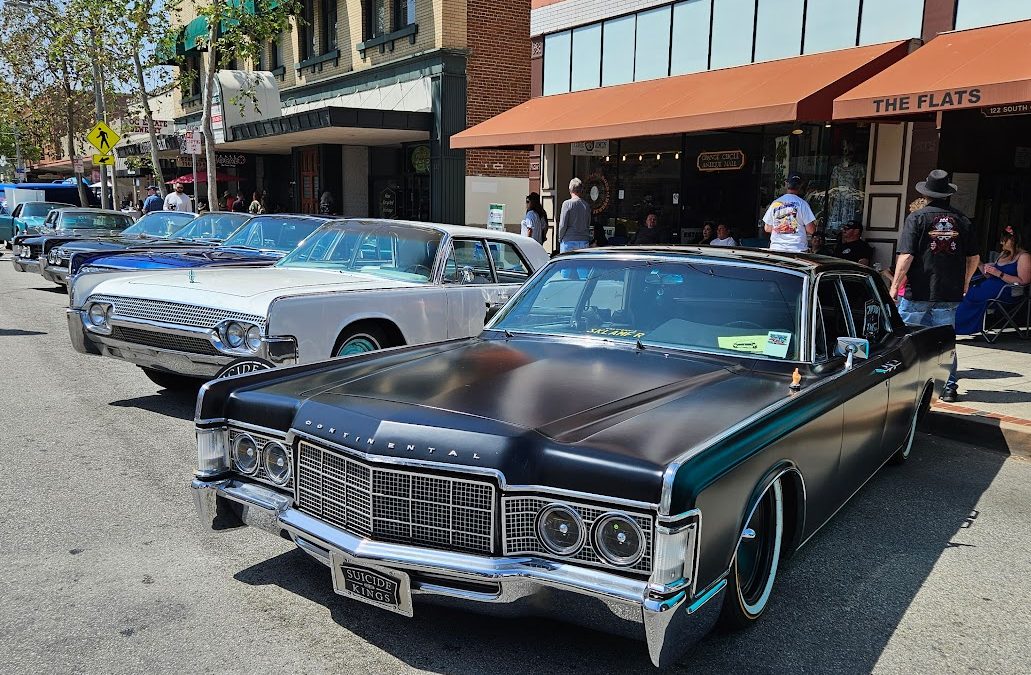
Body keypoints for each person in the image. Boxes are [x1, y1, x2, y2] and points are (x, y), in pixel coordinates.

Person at [889, 169, 980, 403]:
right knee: (945, 342)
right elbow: (974, 257)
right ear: (947, 194)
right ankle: (949, 387)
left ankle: (906, 385)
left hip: (919, 289)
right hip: (949, 291)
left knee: (908, 339)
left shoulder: (917, 218)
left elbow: (907, 256)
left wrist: (894, 286)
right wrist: (966, 281)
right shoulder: (962, 220)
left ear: (926, 194)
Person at [955, 226, 1031, 335]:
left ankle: (959, 328)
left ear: (1014, 240)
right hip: (990, 287)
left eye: (1004, 240)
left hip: (1007, 292)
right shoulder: (1003, 254)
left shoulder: (1024, 256)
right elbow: (991, 277)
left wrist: (999, 273)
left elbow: (1024, 281)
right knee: (965, 294)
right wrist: (980, 264)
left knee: (969, 295)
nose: (1001, 243)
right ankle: (957, 327)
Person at [762, 175, 817, 252]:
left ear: (786, 184)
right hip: (797, 249)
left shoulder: (775, 203)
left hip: (777, 249)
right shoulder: (802, 204)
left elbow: (767, 228)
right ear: (800, 186)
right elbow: (811, 230)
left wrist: (780, 228)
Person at [557, 177, 591, 253]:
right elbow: (588, 224)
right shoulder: (586, 205)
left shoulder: (567, 204)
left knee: (566, 264)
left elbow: (563, 225)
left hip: (569, 240)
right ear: (581, 190)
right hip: (584, 240)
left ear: (570, 190)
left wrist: (560, 238)